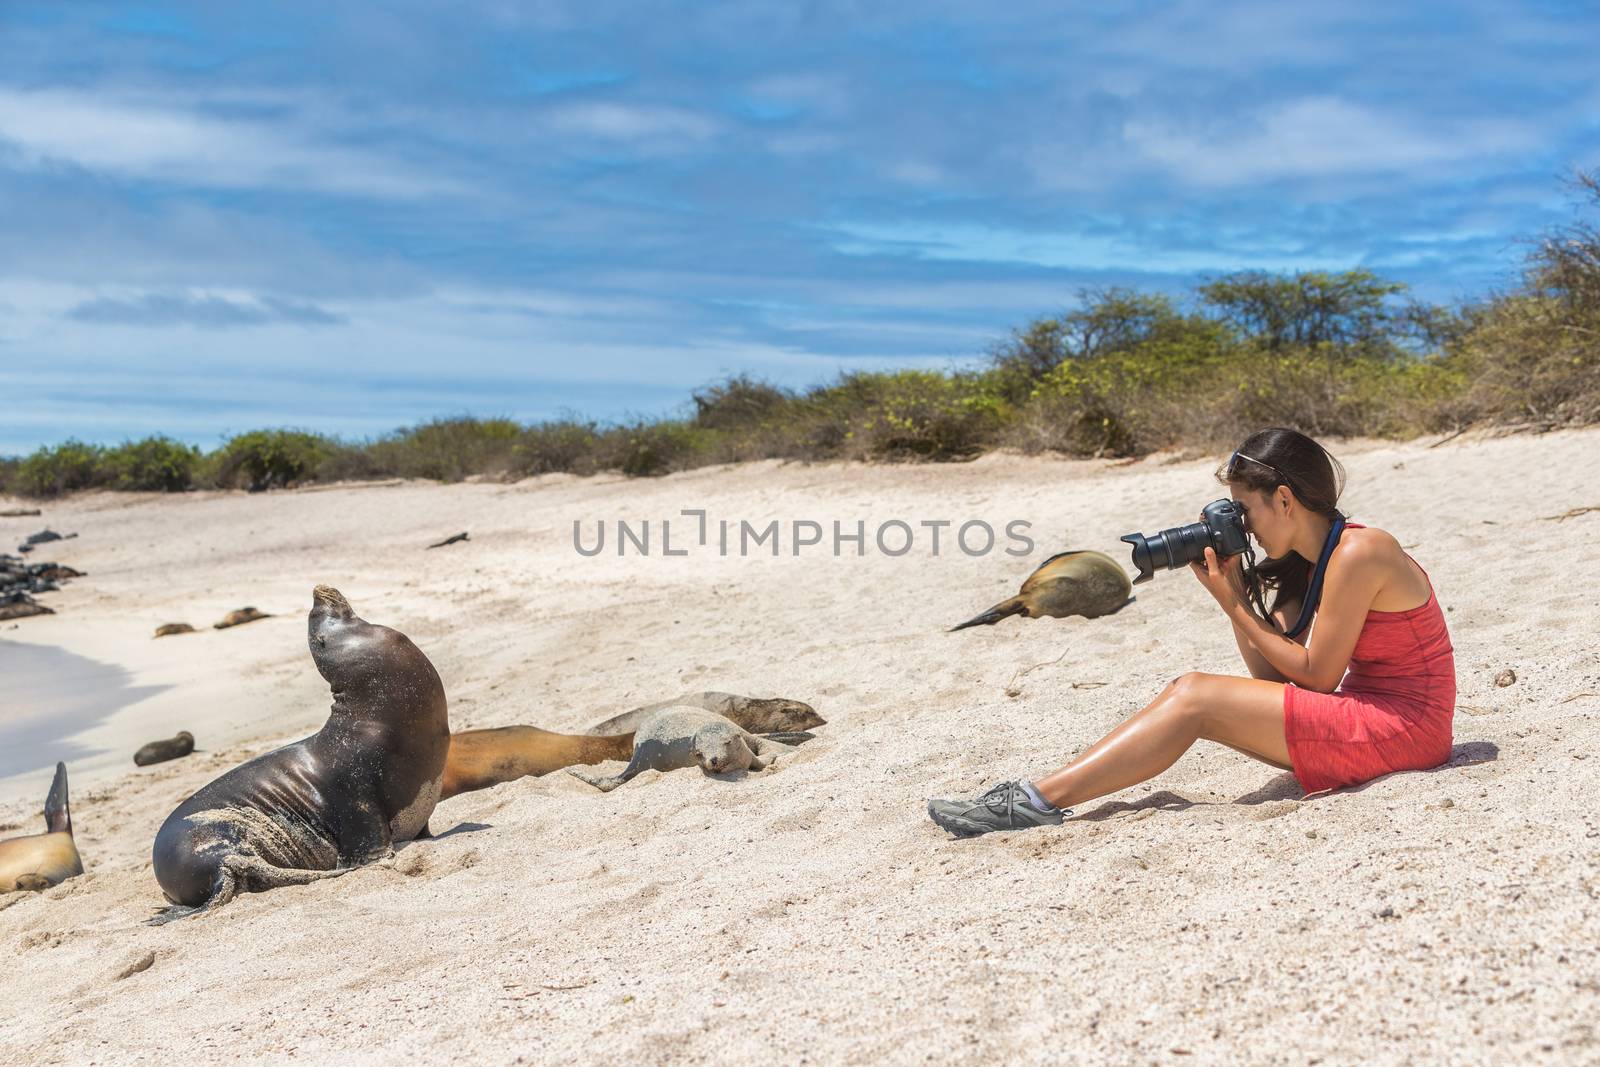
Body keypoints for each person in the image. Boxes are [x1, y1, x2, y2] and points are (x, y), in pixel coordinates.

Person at [926, 427, 1456, 837]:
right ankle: (1033, 797)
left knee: (1194, 695)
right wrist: (1237, 598)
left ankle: (1036, 800)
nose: (1244, 526)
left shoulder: (1361, 551)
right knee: (1192, 692)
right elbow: (1273, 679)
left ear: (1285, 500)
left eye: (1246, 511)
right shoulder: (1306, 564)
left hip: (1407, 731)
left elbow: (1316, 679)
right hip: (1376, 718)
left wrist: (1234, 604)